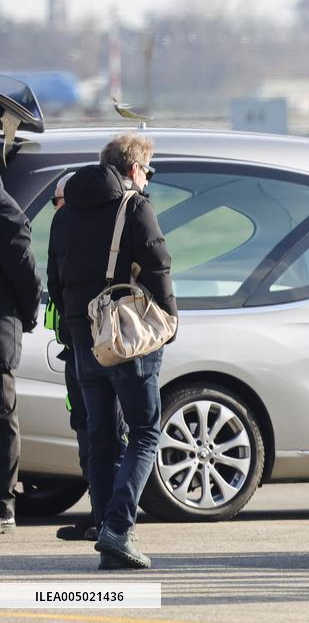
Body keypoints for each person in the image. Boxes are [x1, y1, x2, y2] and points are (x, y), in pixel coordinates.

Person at [48, 132, 176, 569]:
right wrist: (170, 323)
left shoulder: (65, 214)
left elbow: (55, 278)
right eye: (147, 171)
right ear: (135, 169)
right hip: (127, 337)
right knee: (144, 431)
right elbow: (159, 268)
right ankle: (119, 529)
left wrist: (74, 333)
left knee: (101, 438)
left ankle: (106, 528)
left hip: (83, 338)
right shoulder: (135, 207)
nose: (148, 179)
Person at [45, 175, 127, 542]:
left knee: (108, 434)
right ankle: (102, 515)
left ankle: (112, 519)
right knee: (91, 432)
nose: (58, 206)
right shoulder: (70, 227)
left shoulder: (77, 226)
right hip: (76, 347)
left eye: (57, 199)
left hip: (98, 345)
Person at [0, 167, 42, 535]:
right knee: (4, 418)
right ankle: (3, 506)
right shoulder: (7, 214)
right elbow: (26, 274)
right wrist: (28, 318)